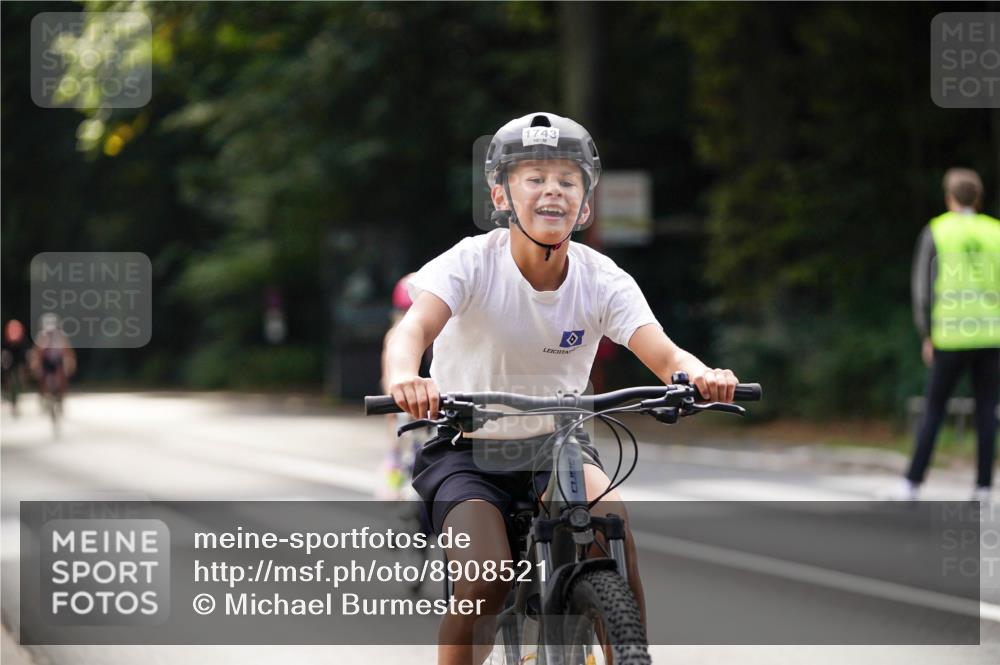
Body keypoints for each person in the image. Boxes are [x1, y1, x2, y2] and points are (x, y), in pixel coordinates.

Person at [382, 112, 740, 665]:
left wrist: (701, 376)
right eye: (535, 178)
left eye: (568, 181)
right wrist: (406, 377)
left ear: (585, 204)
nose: (553, 190)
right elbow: (412, 330)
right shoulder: (471, 263)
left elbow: (667, 355)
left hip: (560, 447)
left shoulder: (602, 279)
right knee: (486, 577)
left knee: (611, 529)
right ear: (501, 196)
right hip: (467, 452)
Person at [899, 168, 1000, 503]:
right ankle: (984, 487)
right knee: (987, 410)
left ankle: (912, 483)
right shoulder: (995, 231)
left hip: (951, 335)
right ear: (978, 198)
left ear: (949, 197)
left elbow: (923, 290)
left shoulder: (937, 230)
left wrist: (927, 334)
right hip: (991, 334)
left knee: (934, 409)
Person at [29, 313, 76, 407]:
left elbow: (68, 351)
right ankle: (43, 395)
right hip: (46, 361)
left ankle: (61, 397)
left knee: (63, 376)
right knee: (42, 377)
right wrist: (35, 363)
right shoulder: (41, 336)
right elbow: (36, 352)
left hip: (58, 360)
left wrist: (70, 362)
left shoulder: (61, 336)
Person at [1, 319, 28, 416]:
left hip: (17, 359)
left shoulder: (21, 344)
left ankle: (15, 394)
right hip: (10, 359)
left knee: (18, 380)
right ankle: (10, 394)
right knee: (10, 380)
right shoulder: (7, 343)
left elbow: (23, 358)